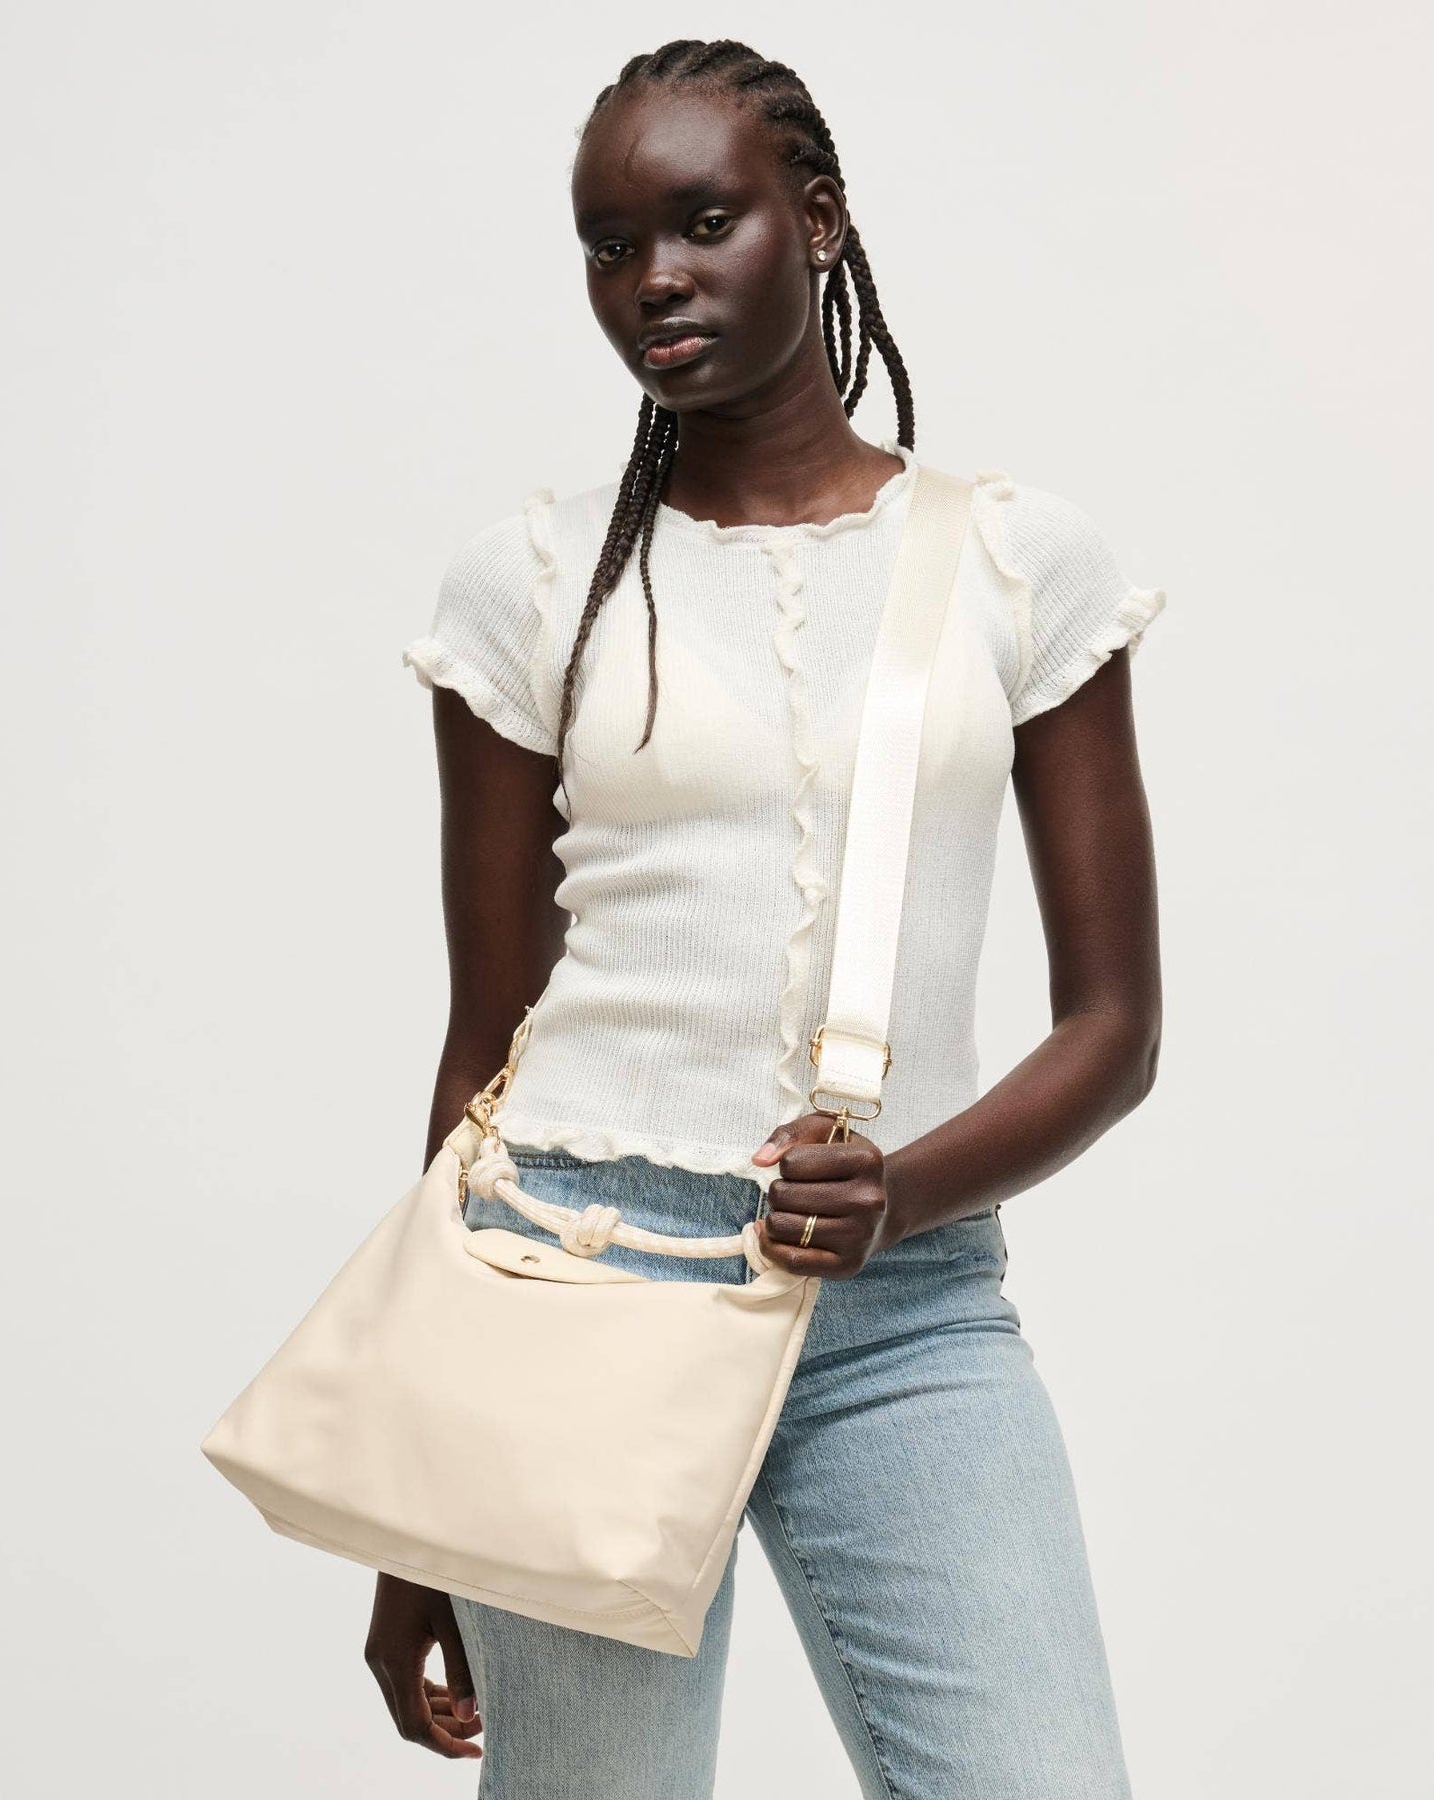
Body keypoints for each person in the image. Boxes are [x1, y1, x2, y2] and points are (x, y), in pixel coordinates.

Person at [371, 37, 1165, 1800]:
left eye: (702, 222)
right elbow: (486, 1037)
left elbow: (1116, 1030)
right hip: (570, 1278)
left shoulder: (1020, 563)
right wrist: (418, 1485)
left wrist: (905, 1194)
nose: (652, 279)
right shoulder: (530, 585)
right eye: (609, 247)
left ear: (816, 219)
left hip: (912, 1313)